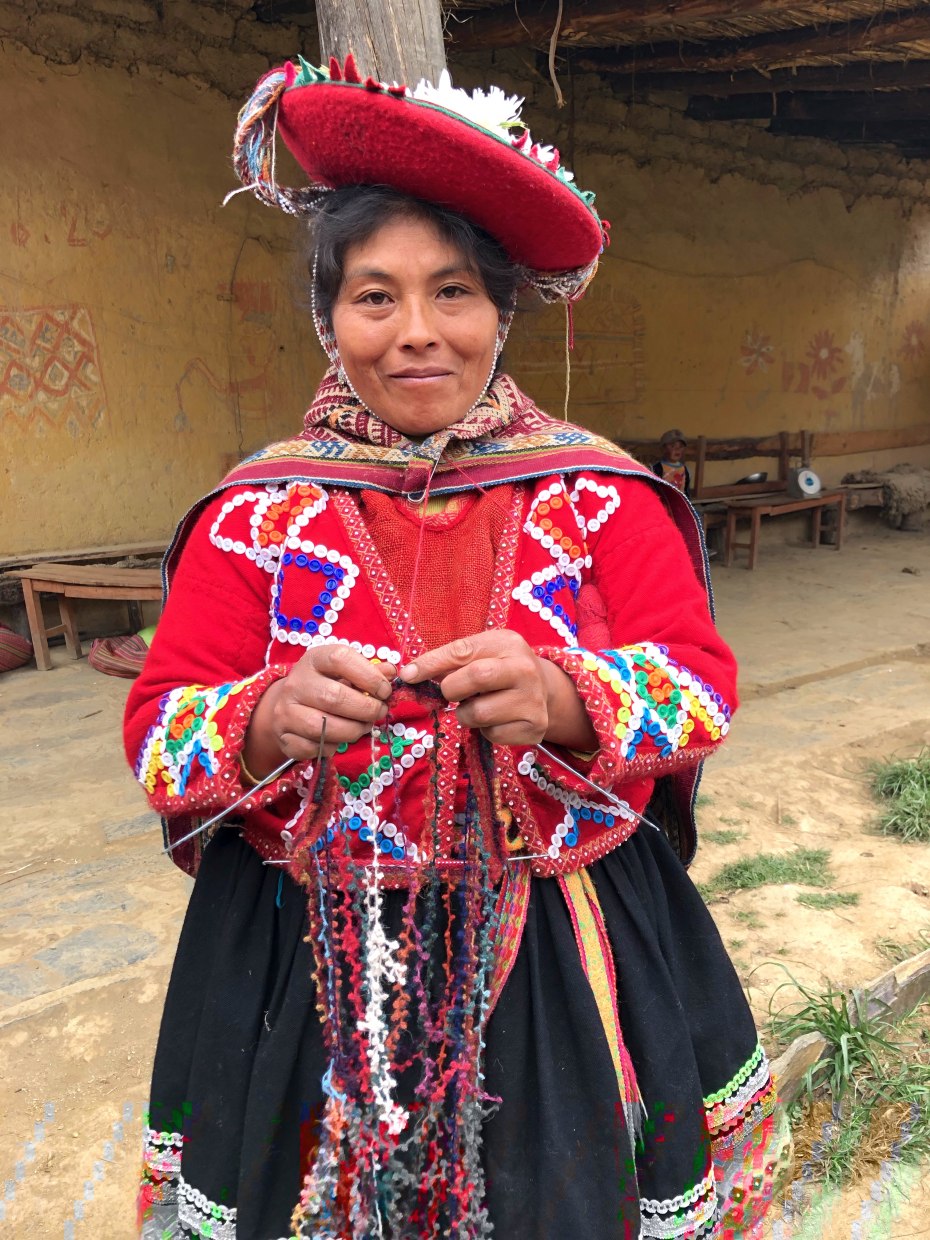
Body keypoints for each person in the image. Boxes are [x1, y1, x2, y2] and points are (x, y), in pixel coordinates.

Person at [124, 55, 789, 1240]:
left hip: (561, 947)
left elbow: (698, 686)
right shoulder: (257, 512)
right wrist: (269, 716)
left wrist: (566, 694)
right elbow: (160, 730)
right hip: (308, 962)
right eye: (374, 297)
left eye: (454, 294)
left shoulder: (593, 492)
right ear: (326, 318)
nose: (415, 334)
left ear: (503, 309)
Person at [653, 429, 691, 496]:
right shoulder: (658, 468)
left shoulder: (684, 469)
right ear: (663, 449)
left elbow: (686, 490)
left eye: (681, 446)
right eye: (673, 446)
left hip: (679, 503)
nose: (677, 449)